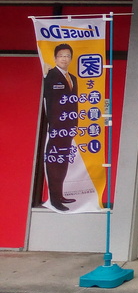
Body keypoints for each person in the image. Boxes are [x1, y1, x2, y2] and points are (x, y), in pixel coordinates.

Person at [42, 43, 78, 212]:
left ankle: (60, 194)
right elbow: (47, 98)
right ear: (55, 58)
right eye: (61, 56)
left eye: (67, 56)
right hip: (56, 127)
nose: (64, 59)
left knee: (62, 161)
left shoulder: (73, 78)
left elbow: (74, 103)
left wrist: (74, 123)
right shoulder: (50, 76)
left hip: (68, 127)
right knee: (54, 162)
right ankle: (54, 199)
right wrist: (44, 75)